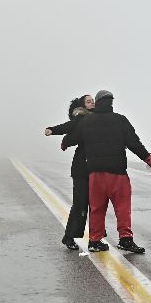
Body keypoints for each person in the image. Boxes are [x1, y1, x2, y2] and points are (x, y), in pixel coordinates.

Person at [63, 90, 151, 253]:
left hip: (95, 175)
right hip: (118, 173)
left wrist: (65, 143)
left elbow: (72, 138)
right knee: (122, 208)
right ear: (111, 102)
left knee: (97, 208)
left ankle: (95, 241)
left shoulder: (87, 121)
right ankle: (125, 239)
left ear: (98, 102)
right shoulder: (120, 120)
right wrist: (149, 159)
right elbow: (134, 143)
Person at [45, 94, 95, 250]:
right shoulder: (81, 118)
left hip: (95, 168)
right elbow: (67, 126)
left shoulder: (99, 118)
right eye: (88, 101)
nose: (92, 103)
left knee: (95, 205)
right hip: (82, 168)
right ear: (83, 106)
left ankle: (96, 239)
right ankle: (69, 237)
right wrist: (52, 130)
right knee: (80, 205)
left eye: (93, 100)